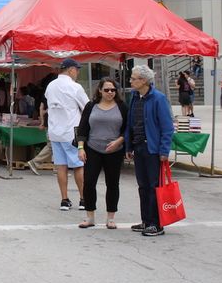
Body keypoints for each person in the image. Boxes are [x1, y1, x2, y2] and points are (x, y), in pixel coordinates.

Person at [125, 65, 174, 237]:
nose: (131, 81)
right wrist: (129, 146)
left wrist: (164, 150)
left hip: (152, 148)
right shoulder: (135, 97)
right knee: (143, 186)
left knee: (154, 186)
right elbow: (130, 123)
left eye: (133, 78)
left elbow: (167, 127)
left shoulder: (158, 99)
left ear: (144, 80)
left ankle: (156, 223)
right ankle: (146, 220)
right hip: (138, 146)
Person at [74, 78, 128, 229]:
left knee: (112, 183)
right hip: (93, 148)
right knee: (89, 182)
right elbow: (83, 127)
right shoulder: (91, 106)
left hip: (114, 150)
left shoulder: (122, 107)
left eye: (113, 90)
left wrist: (119, 141)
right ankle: (89, 216)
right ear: (100, 90)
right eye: (107, 90)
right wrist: (80, 147)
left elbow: (127, 128)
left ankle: (111, 217)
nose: (110, 92)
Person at [45, 59, 89, 210]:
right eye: (77, 70)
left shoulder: (50, 86)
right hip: (71, 132)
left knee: (61, 166)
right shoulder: (75, 87)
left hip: (55, 132)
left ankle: (64, 199)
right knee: (78, 165)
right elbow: (87, 108)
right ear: (71, 70)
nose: (77, 73)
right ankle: (83, 199)